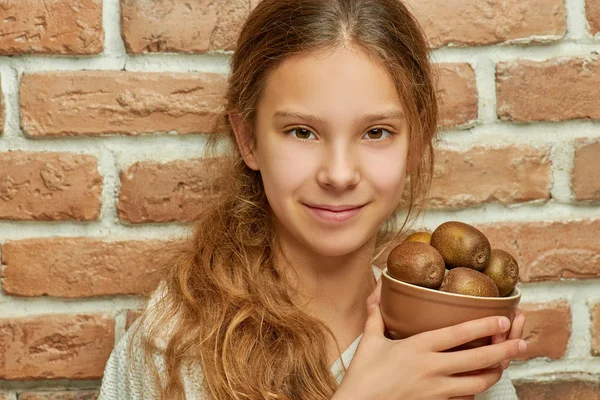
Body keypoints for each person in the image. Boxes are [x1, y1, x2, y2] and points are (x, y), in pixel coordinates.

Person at [98, 0, 527, 399]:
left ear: (415, 145)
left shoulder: (449, 351)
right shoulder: (174, 348)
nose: (339, 175)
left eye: (376, 132)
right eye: (302, 131)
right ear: (248, 140)